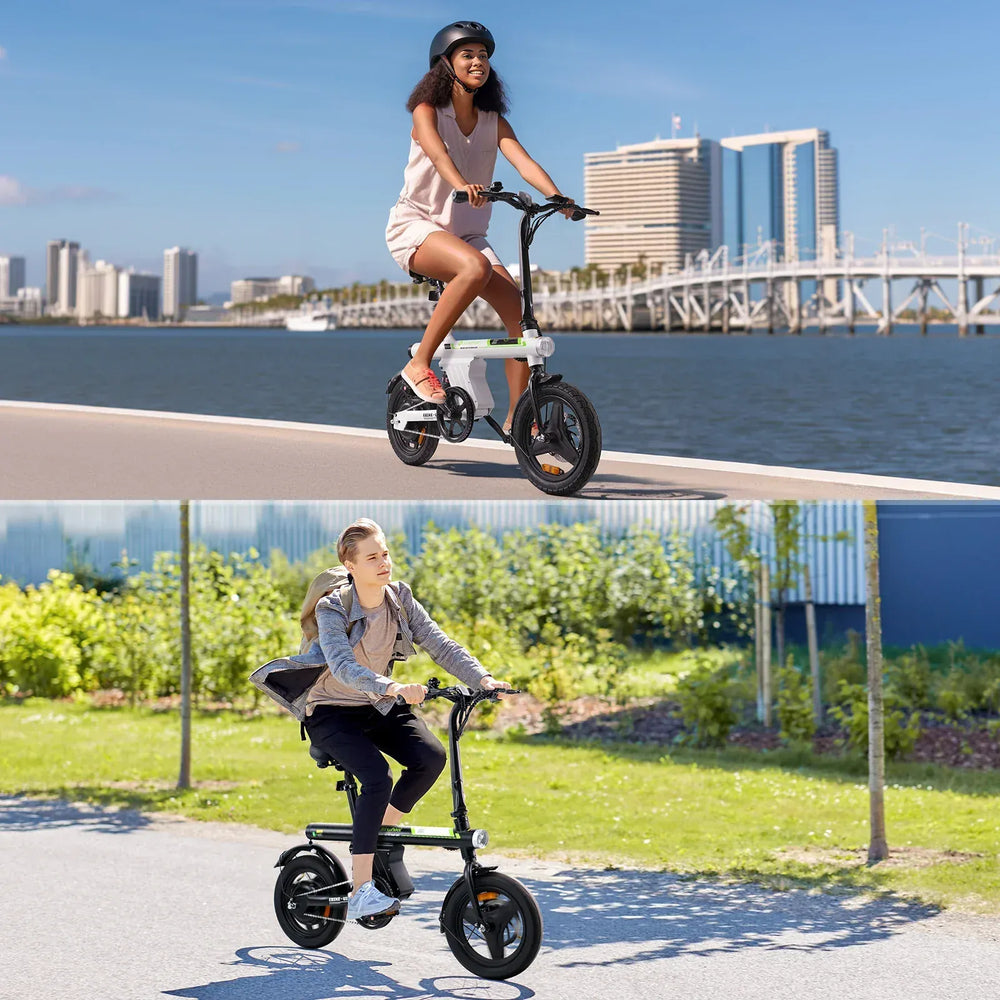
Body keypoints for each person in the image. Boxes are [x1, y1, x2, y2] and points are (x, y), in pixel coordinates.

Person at [299, 518, 511, 921]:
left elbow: (439, 643)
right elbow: (342, 667)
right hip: (331, 711)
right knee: (377, 777)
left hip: (376, 705)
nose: (384, 563)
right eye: (373, 557)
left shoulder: (400, 599)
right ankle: (362, 889)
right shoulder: (333, 608)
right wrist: (392, 686)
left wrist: (482, 679)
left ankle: (379, 836)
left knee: (430, 758)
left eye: (386, 554)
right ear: (350, 565)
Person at [385, 20, 575, 432]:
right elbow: (437, 154)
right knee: (474, 268)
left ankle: (518, 420)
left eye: (484, 56)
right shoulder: (427, 111)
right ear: (446, 64)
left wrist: (558, 198)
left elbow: (523, 162)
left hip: (469, 236)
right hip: (417, 226)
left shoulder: (493, 120)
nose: (478, 62)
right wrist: (460, 185)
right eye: (468, 55)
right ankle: (418, 364)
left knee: (522, 319)